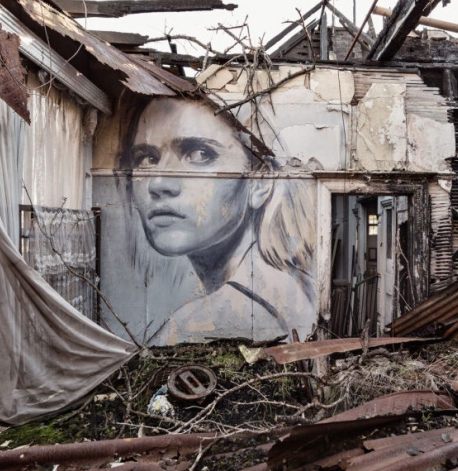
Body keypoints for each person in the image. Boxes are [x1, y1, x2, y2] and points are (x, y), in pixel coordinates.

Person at [119, 96, 316, 344]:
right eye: (146, 158)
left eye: (200, 154)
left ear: (260, 182)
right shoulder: (289, 285)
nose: (158, 183)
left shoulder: (193, 327)